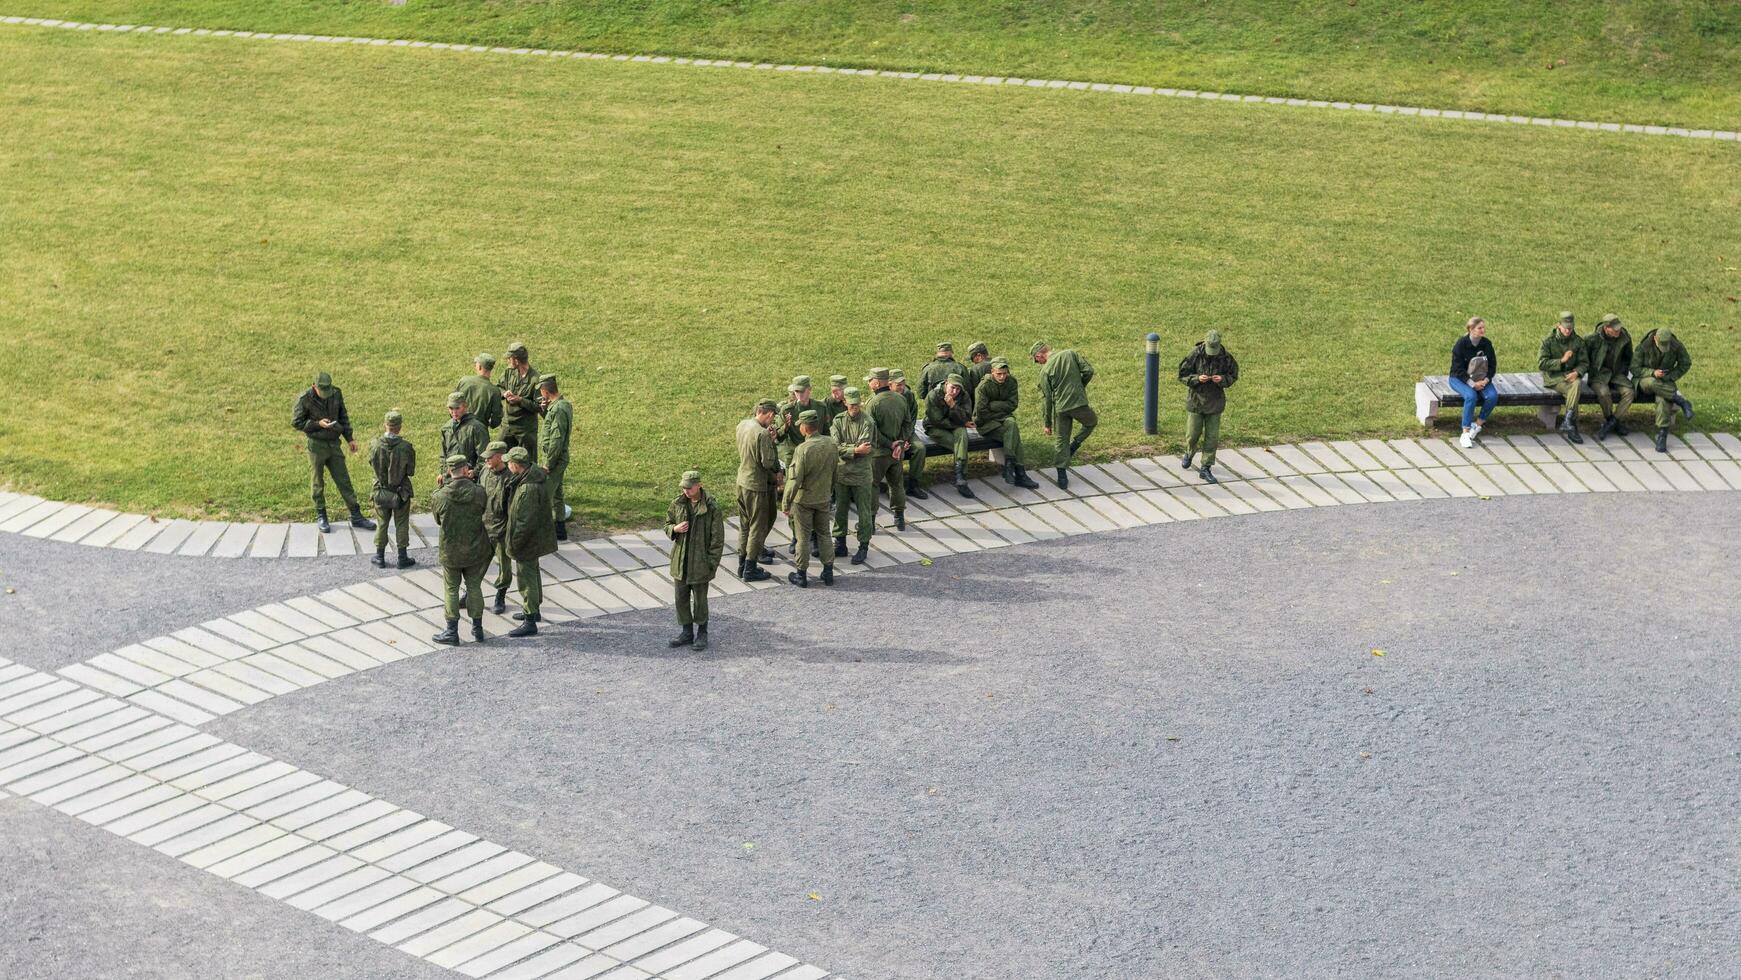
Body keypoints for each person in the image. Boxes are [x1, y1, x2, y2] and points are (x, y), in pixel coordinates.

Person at [291, 371, 376, 534]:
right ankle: (321, 514)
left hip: (334, 444)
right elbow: (296, 422)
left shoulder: (336, 393)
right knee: (317, 482)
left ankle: (356, 515)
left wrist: (349, 438)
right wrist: (317, 424)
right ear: (314, 386)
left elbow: (343, 415)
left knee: (343, 479)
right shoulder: (305, 399)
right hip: (316, 445)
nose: (325, 395)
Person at [430, 456, 490, 646]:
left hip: (451, 551)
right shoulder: (479, 492)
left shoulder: (440, 496)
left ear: (449, 471)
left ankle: (452, 631)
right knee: (474, 587)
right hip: (474, 548)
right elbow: (482, 511)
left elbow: (438, 520)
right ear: (465, 470)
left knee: (451, 589)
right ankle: (478, 628)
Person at [664, 470, 724, 651]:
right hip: (680, 562)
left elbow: (717, 540)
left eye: (689, 488)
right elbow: (667, 524)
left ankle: (702, 633)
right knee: (680, 599)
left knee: (700, 600)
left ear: (699, 485)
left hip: (700, 563)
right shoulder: (677, 503)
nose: (686, 491)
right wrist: (674, 529)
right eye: (684, 488)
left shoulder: (711, 508)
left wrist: (711, 564)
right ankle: (686, 632)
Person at [781, 410, 839, 588]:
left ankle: (801, 575)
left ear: (805, 428)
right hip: (823, 498)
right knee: (824, 534)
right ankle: (828, 572)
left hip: (804, 501)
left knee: (803, 538)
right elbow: (835, 472)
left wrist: (786, 502)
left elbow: (794, 479)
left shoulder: (802, 450)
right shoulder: (831, 444)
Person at [503, 446, 555, 636]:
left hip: (527, 541)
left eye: (509, 462)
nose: (507, 465)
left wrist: (515, 544)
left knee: (527, 579)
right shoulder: (532, 479)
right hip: (535, 538)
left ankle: (530, 617)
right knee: (532, 573)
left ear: (516, 466)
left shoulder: (527, 490)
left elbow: (523, 523)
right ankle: (533, 609)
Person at [1031, 342, 1096, 489]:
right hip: (1078, 404)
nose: (1038, 363)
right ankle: (1074, 445)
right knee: (1091, 422)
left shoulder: (1045, 371)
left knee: (1061, 439)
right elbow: (1089, 371)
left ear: (1039, 355)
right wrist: (1079, 386)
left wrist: (1047, 424)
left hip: (1061, 408)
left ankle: (1061, 475)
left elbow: (1047, 400)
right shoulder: (1070, 354)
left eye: (1037, 361)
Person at [1178, 330, 1239, 484]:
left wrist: (1222, 379)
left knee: (1212, 438)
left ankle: (1206, 467)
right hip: (1197, 401)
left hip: (1215, 402)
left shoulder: (1225, 358)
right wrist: (1197, 378)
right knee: (1193, 434)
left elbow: (1233, 375)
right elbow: (1182, 374)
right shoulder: (1195, 354)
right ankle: (1189, 453)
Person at [775, 376, 828, 555]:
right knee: (795, 497)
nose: (799, 395)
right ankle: (796, 535)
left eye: (802, 391)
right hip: (795, 454)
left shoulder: (820, 408)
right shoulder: (787, 410)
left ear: (809, 390)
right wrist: (786, 426)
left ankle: (813, 536)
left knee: (813, 494)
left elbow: (826, 431)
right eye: (796, 392)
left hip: (814, 453)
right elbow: (779, 438)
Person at [972, 357, 1040, 489]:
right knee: (1014, 434)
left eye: (1005, 373)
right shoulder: (983, 386)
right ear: (992, 371)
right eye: (999, 374)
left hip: (1004, 420)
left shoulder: (1011, 382)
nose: (1002, 377)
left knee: (1011, 425)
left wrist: (994, 405)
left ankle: (1010, 467)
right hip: (986, 424)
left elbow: (1013, 404)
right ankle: (1019, 473)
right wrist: (1000, 411)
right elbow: (981, 412)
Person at [734, 399, 782, 582]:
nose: (773, 420)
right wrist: (771, 443)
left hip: (742, 481)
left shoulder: (743, 425)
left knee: (745, 525)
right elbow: (767, 462)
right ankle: (750, 567)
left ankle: (741, 564)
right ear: (769, 414)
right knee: (757, 526)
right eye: (773, 416)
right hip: (757, 486)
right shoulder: (762, 434)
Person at [830, 387, 878, 564]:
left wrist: (848, 449)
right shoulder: (838, 420)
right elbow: (835, 447)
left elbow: (865, 447)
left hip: (861, 475)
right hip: (842, 474)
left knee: (864, 512)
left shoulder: (868, 422)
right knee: (840, 510)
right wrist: (855, 450)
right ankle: (840, 542)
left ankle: (863, 545)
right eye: (851, 405)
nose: (854, 407)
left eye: (857, 404)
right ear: (845, 403)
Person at [367, 409, 417, 569]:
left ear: (385, 425)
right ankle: (402, 557)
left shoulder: (375, 445)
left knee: (382, 523)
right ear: (399, 427)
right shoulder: (406, 447)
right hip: (401, 492)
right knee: (401, 523)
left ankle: (380, 556)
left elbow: (371, 463)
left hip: (381, 491)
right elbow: (410, 471)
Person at [1632, 327, 1695, 453]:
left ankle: (1662, 435)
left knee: (1663, 399)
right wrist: (1653, 372)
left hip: (1665, 381)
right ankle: (1682, 402)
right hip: (1645, 380)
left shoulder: (1676, 346)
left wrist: (1670, 376)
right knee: (1653, 382)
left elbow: (1685, 363)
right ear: (1655, 339)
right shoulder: (1644, 347)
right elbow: (1634, 368)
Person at [866, 368, 912, 531]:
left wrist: (889, 444)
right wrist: (899, 444)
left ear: (877, 383)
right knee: (897, 484)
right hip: (897, 453)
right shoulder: (901, 399)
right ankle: (899, 518)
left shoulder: (873, 403)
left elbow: (872, 432)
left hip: (878, 454)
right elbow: (908, 424)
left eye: (870, 380)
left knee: (873, 485)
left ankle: (870, 522)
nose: (868, 383)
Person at [1448, 317, 1499, 449]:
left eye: (1483, 327)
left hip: (1481, 378)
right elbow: (1458, 370)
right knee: (1471, 396)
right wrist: (1472, 384)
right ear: (1471, 329)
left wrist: (1486, 380)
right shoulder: (1461, 344)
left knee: (1492, 396)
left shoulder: (1486, 344)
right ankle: (1465, 432)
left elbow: (1492, 365)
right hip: (1459, 379)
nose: (1483, 330)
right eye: (1479, 328)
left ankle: (1477, 425)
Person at [1538, 311, 1588, 444]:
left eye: (1570, 328)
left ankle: (1569, 422)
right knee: (1575, 387)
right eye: (1565, 327)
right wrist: (1562, 360)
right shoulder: (1548, 341)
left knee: (1575, 386)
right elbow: (1542, 364)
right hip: (1554, 378)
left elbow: (1584, 363)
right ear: (1558, 325)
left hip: (1571, 376)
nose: (1568, 330)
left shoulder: (1578, 342)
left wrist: (1577, 372)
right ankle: (1572, 425)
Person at [1583, 314, 1636, 441]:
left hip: (1617, 374)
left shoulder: (1625, 338)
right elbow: (1583, 358)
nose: (1618, 331)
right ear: (1606, 328)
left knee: (1629, 392)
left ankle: (1611, 423)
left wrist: (1623, 371)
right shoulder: (1591, 339)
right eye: (1615, 329)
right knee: (1603, 393)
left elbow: (1629, 358)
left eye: (1619, 328)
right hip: (1598, 375)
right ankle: (1612, 421)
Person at [924, 373, 977, 498]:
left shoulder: (963, 396)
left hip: (955, 426)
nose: (955, 391)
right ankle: (961, 479)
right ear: (946, 384)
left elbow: (966, 416)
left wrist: (953, 406)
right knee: (960, 446)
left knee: (962, 433)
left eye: (958, 389)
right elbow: (936, 420)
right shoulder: (934, 395)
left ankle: (960, 479)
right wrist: (960, 423)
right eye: (952, 387)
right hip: (935, 428)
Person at [478, 441, 515, 614]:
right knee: (477, 563)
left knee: (504, 567)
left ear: (499, 457)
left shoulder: (510, 478)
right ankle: (471, 591)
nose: (486, 461)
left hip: (502, 530)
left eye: (489, 458)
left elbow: (512, 508)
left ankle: (501, 594)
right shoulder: (485, 471)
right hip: (484, 528)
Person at [537, 374, 572, 541]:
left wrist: (548, 464)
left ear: (545, 391)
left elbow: (556, 439)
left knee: (544, 495)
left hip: (555, 459)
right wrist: (544, 410)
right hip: (559, 458)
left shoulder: (558, 409)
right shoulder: (561, 405)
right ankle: (560, 529)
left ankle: (543, 532)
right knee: (557, 494)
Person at [498, 341, 540, 463]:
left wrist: (521, 400)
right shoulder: (508, 372)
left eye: (509, 358)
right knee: (499, 455)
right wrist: (504, 393)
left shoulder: (535, 379)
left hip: (525, 429)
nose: (507, 361)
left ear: (516, 360)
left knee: (527, 462)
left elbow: (538, 406)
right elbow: (498, 388)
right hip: (508, 425)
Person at [889, 369, 929, 499]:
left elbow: (911, 419)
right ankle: (895, 487)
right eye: (898, 384)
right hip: (890, 434)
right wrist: (898, 441)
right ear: (890, 385)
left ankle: (914, 484)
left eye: (903, 383)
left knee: (919, 448)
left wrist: (904, 438)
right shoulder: (885, 398)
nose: (902, 387)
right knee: (899, 452)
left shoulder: (908, 395)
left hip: (906, 432)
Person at [439, 392, 489, 484]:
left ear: (465, 407)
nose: (454, 412)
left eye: (457, 408)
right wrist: (442, 473)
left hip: (470, 479)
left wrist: (475, 472)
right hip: (449, 479)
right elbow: (443, 454)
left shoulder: (477, 428)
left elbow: (484, 455)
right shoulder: (446, 428)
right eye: (451, 408)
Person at [454, 353, 503, 432]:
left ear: (479, 366)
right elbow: (497, 417)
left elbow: (453, 402)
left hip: (461, 428)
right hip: (480, 431)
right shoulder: (495, 391)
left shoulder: (464, 381)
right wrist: (491, 424)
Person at [961, 341, 992, 411]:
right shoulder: (999, 364)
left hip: (983, 407)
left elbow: (973, 391)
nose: (973, 362)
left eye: (972, 359)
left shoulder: (976, 369)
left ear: (979, 355)